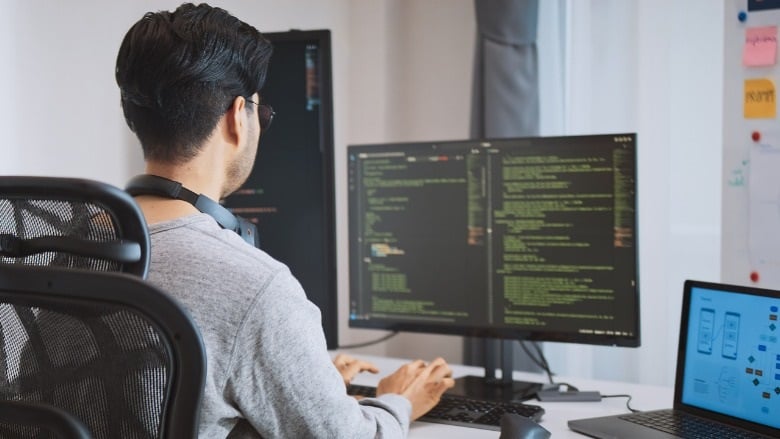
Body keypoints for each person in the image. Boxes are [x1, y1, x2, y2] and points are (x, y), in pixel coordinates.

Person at [115, 3, 454, 437]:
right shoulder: (254, 287)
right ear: (238, 118)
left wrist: (303, 386)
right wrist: (398, 400)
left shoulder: (70, 247)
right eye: (262, 114)